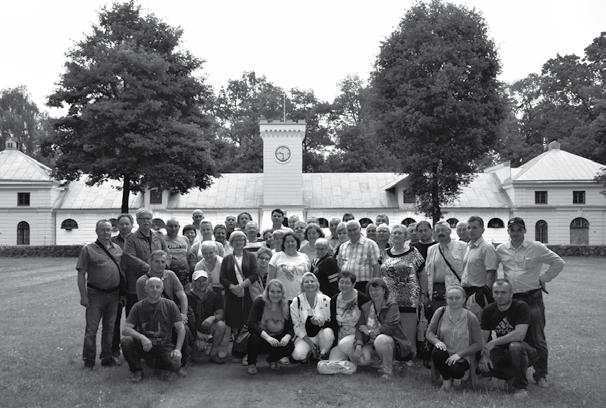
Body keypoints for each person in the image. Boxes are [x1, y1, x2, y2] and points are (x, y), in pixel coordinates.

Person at [496, 217, 565, 387]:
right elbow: (490, 267)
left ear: (524, 231)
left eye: (519, 229)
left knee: (537, 337)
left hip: (532, 298)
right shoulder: (501, 249)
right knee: (512, 337)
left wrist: (544, 278)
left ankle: (541, 375)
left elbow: (558, 262)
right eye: (513, 229)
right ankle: (513, 373)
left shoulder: (536, 247)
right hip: (511, 300)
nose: (516, 233)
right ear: (508, 231)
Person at [479, 279, 538, 398]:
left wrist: (495, 342)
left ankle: (521, 387)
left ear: (511, 294)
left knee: (515, 346)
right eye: (496, 292)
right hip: (502, 351)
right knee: (483, 367)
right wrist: (484, 356)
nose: (499, 296)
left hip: (526, 350)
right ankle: (512, 375)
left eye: (503, 292)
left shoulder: (521, 307)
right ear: (492, 294)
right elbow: (483, 338)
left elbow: (519, 335)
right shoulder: (488, 310)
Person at [77, 219, 123, 368]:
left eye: (108, 230)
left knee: (110, 328)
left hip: (114, 295)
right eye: (102, 229)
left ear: (112, 231)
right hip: (95, 294)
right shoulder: (88, 249)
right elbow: (81, 273)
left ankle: (107, 357)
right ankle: (89, 360)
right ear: (96, 231)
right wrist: (83, 296)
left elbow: (122, 272)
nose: (106, 232)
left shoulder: (117, 249)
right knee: (91, 329)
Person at [121, 277, 186, 382]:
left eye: (158, 287)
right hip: (145, 346)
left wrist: (178, 349)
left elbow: (181, 328)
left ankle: (161, 366)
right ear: (145, 289)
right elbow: (125, 330)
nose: (155, 289)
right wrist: (142, 337)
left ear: (162, 289)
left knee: (175, 365)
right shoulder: (138, 307)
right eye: (151, 287)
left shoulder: (170, 305)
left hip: (164, 345)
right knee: (126, 341)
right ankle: (137, 370)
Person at [352, 278, 412, 379]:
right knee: (362, 360)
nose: (374, 293)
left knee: (381, 340)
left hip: (392, 343)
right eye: (371, 290)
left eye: (377, 290)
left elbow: (389, 328)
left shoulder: (392, 305)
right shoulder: (366, 307)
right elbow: (359, 327)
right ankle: (381, 362)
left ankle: (388, 370)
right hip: (370, 343)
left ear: (384, 291)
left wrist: (369, 331)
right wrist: (358, 345)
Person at [425, 286, 482, 391]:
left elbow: (478, 344)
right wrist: (437, 342)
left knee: (456, 370)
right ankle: (446, 381)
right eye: (450, 298)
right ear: (446, 299)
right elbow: (429, 333)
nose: (454, 301)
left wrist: (459, 354)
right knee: (437, 351)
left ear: (464, 299)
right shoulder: (440, 312)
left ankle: (458, 376)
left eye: (457, 298)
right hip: (445, 353)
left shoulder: (471, 317)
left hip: (462, 357)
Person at [380, 224, 425, 356]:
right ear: (391, 236)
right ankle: (393, 355)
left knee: (408, 329)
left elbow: (422, 273)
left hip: (409, 298)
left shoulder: (413, 252)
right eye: (394, 233)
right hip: (389, 299)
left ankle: (410, 355)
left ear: (406, 236)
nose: (397, 235)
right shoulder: (385, 253)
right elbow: (379, 274)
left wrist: (423, 293)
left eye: (400, 233)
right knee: (391, 328)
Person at [122, 208, 168, 315]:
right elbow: (129, 257)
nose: (146, 221)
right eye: (142, 219)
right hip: (137, 282)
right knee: (137, 313)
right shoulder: (131, 238)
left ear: (152, 220)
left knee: (157, 313)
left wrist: (163, 265)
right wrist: (149, 267)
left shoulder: (159, 236)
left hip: (158, 281)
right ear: (137, 221)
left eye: (148, 218)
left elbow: (166, 252)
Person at [246, 279, 295, 374]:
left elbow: (290, 328)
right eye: (272, 291)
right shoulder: (260, 302)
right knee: (253, 339)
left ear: (282, 293)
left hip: (277, 338)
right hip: (263, 336)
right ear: (267, 292)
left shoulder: (286, 305)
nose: (275, 295)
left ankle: (272, 359)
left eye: (278, 292)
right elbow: (251, 324)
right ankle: (251, 363)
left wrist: (286, 337)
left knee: (290, 346)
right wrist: (268, 338)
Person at [220, 231, 259, 337]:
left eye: (241, 239)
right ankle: (236, 342)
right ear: (231, 242)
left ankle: (246, 342)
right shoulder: (227, 259)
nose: (238, 242)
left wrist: (241, 286)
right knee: (234, 318)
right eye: (235, 240)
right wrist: (232, 287)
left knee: (248, 317)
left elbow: (255, 274)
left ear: (244, 241)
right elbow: (222, 278)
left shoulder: (251, 256)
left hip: (248, 292)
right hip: (232, 293)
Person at [187, 270, 229, 364]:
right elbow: (185, 318)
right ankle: (189, 352)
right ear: (193, 282)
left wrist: (213, 318)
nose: (201, 283)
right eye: (198, 281)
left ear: (208, 281)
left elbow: (220, 313)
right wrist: (196, 336)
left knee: (221, 325)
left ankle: (213, 353)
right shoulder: (187, 297)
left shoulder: (214, 296)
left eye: (204, 280)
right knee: (197, 356)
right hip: (192, 330)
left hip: (207, 328)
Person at [290, 273, 334, 361]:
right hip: (305, 337)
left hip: (321, 335)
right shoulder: (296, 301)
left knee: (328, 332)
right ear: (302, 286)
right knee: (297, 355)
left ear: (317, 284)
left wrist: (320, 323)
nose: (310, 283)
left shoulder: (326, 300)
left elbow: (331, 322)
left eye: (312, 281)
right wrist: (309, 343)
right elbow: (296, 325)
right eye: (306, 282)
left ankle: (322, 353)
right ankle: (310, 351)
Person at [426, 221, 467, 314]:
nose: (440, 233)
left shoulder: (462, 246)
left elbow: (466, 270)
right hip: (437, 291)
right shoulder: (431, 249)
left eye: (443, 230)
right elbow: (427, 272)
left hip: (456, 290)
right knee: (439, 319)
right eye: (438, 231)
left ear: (449, 231)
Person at [328, 271, 369, 361]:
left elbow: (368, 321)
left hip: (357, 337)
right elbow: (332, 322)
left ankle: (357, 355)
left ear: (353, 284)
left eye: (347, 283)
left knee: (363, 360)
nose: (344, 285)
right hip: (340, 338)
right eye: (341, 282)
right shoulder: (334, 300)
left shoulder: (362, 298)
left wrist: (360, 342)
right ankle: (350, 357)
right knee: (333, 362)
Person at [461, 216, 497, 313]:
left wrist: (484, 295)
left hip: (479, 293)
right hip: (466, 292)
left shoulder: (486, 248)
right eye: (469, 228)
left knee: (478, 325)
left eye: (475, 228)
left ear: (482, 230)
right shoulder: (468, 247)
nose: (471, 231)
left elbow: (491, 273)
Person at [110, 213, 133, 360]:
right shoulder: (111, 242)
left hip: (133, 287)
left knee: (133, 319)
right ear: (117, 226)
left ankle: (134, 349)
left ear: (132, 225)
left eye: (127, 224)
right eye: (122, 224)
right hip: (117, 286)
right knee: (114, 320)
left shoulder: (137, 240)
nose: (124, 226)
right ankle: (114, 350)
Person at [337, 220, 381, 292]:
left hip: (364, 285)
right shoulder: (343, 246)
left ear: (360, 229)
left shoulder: (370, 244)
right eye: (349, 230)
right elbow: (340, 267)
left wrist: (374, 285)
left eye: (354, 229)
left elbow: (376, 267)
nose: (352, 232)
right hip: (347, 285)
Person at [268, 232, 311, 301]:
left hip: (301, 298)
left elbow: (308, 277)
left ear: (297, 243)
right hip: (281, 298)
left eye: (292, 241)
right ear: (283, 244)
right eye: (287, 242)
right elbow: (270, 279)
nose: (290, 243)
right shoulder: (276, 256)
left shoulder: (304, 257)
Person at [165, 218, 190, 288]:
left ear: (179, 227)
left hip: (185, 276)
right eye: (170, 226)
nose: (173, 229)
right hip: (169, 276)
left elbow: (188, 256)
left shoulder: (185, 239)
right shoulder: (161, 239)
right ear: (166, 227)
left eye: (176, 226)